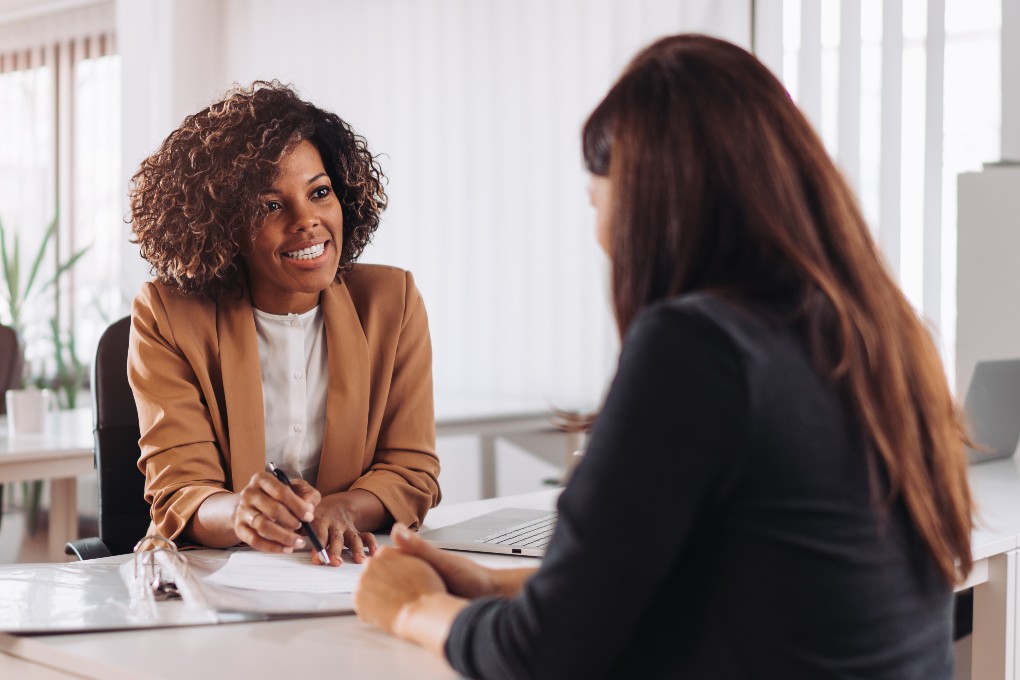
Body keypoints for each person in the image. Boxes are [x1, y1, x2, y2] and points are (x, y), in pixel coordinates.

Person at [353, 34, 973, 678]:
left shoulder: (699, 347)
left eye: (597, 203)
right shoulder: (890, 336)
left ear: (650, 202)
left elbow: (544, 657)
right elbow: (742, 584)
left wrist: (412, 608)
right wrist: (490, 586)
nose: (600, 240)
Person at [127, 81, 440, 565]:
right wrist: (240, 514)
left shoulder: (391, 302)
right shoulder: (167, 314)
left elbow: (411, 470)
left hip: (343, 572)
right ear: (224, 224)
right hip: (211, 578)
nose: (307, 220)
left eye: (320, 192)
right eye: (271, 205)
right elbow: (181, 491)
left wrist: (342, 509)